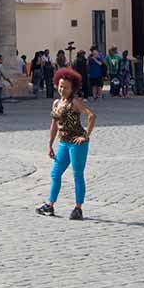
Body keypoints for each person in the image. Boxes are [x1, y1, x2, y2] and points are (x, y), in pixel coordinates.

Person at [36, 67, 96, 220]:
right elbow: (54, 124)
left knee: (77, 175)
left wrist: (85, 135)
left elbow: (91, 116)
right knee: (55, 174)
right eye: (61, 86)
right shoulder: (56, 103)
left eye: (66, 87)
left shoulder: (75, 102)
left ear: (72, 88)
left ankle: (78, 208)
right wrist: (50, 144)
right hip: (63, 143)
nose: (62, 89)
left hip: (77, 144)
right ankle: (50, 205)